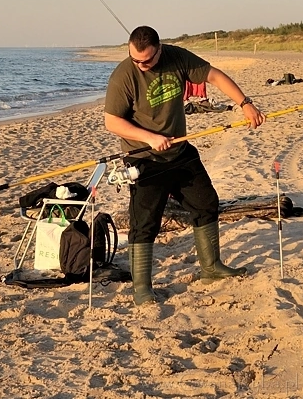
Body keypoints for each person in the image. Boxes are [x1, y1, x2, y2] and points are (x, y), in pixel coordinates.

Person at [104, 26, 266, 306]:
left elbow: (214, 75)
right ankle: (141, 288)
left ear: (159, 49)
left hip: (180, 152)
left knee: (206, 203)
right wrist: (150, 137)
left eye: (147, 60)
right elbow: (112, 122)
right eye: (135, 59)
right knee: (145, 223)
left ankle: (211, 268)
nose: (141, 65)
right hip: (143, 158)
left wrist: (245, 103)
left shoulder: (177, 58)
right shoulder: (124, 75)